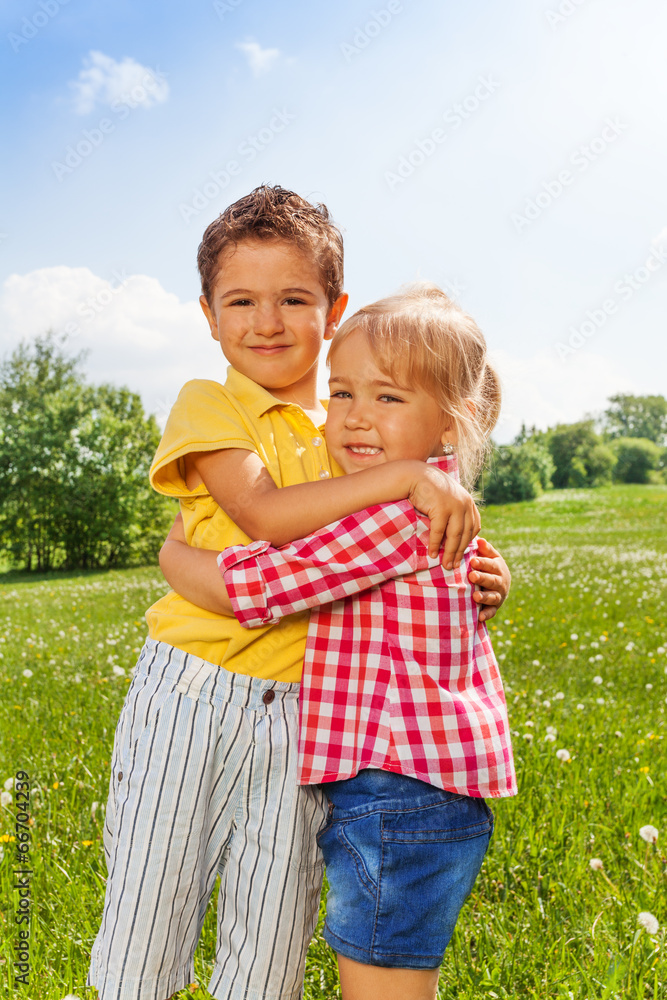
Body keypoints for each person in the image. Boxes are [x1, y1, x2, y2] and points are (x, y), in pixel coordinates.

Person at [87, 185, 511, 1000]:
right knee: (152, 894)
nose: (267, 322)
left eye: (294, 299)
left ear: (334, 309)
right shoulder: (211, 403)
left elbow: (401, 552)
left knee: (273, 924)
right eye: (240, 301)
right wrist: (176, 562)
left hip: (308, 711)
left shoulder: (346, 418)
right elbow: (265, 517)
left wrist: (483, 571)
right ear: (208, 316)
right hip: (194, 685)